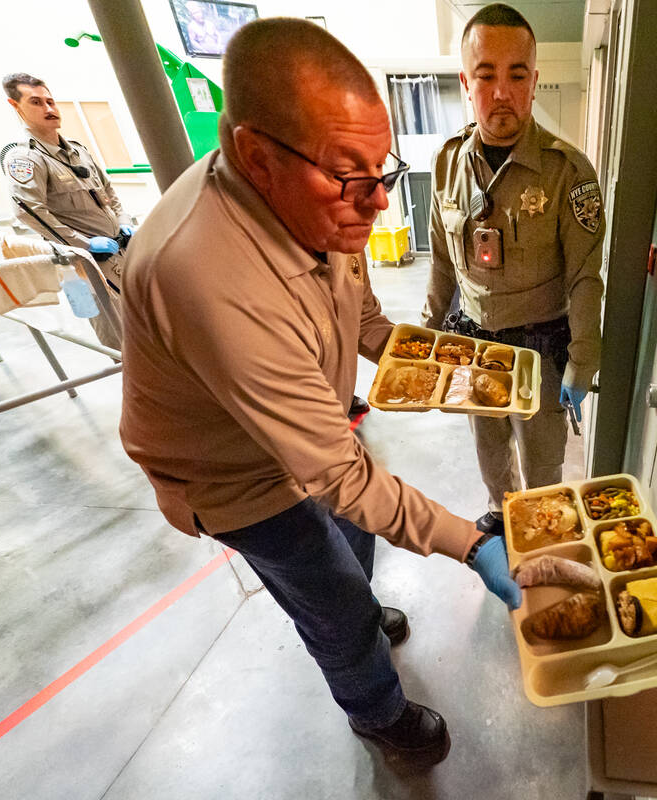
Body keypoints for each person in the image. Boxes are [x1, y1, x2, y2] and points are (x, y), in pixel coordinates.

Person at [118, 18, 520, 767]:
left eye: (381, 170)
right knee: (329, 595)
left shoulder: (323, 207)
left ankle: (361, 612)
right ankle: (375, 710)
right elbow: (338, 476)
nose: (374, 203)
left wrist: (456, 365)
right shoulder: (206, 276)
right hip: (231, 475)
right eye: (348, 175)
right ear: (256, 157)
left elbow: (363, 318)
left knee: (355, 544)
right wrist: (473, 544)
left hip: (313, 421)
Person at [423, 4, 605, 536]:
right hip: (476, 347)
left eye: (516, 75)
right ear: (466, 82)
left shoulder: (568, 172)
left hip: (542, 351)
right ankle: (502, 512)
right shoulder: (446, 163)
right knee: (488, 444)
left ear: (533, 82)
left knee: (543, 459)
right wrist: (428, 332)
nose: (501, 91)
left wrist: (582, 362)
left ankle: (542, 524)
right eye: (486, 75)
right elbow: (439, 260)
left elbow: (585, 277)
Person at [1, 72, 133, 348]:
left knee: (150, 322)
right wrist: (83, 245)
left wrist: (123, 222)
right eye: (36, 102)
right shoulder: (24, 158)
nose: (49, 109)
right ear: (16, 106)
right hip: (83, 265)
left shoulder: (78, 150)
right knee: (117, 337)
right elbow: (28, 212)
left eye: (50, 101)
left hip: (120, 252)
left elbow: (109, 192)